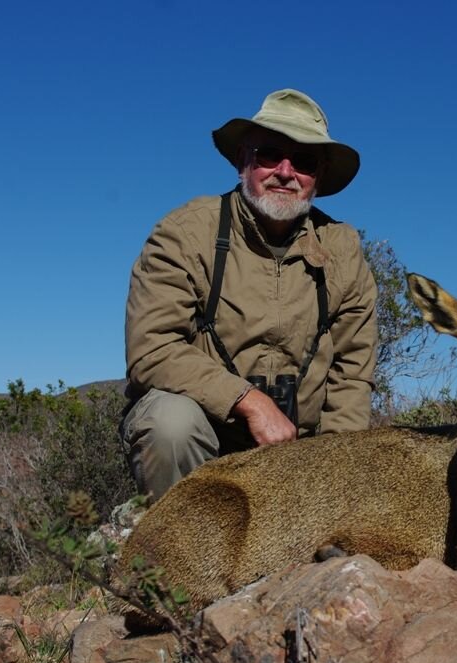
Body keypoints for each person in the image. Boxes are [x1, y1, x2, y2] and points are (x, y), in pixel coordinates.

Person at [122, 88, 378, 503]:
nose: (285, 171)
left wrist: (335, 473)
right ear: (244, 158)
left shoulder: (343, 250)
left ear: (320, 176)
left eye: (305, 161)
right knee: (171, 425)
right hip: (206, 432)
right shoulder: (186, 233)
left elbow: (350, 377)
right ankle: (175, 559)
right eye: (269, 154)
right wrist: (249, 401)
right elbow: (152, 349)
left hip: (297, 450)